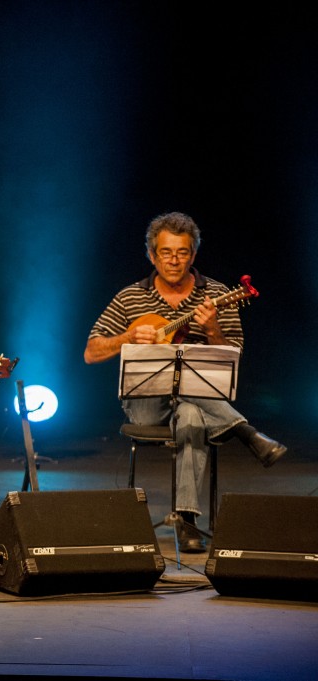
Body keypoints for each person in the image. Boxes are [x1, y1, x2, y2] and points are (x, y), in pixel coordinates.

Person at [84, 212, 286, 552]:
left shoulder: (218, 295)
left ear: (193, 255)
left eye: (182, 252)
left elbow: (234, 355)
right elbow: (91, 351)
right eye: (166, 252)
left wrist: (211, 329)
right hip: (145, 404)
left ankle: (187, 521)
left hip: (197, 401)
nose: (174, 260)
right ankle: (243, 430)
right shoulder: (131, 297)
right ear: (152, 255)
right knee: (189, 404)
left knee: (191, 414)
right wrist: (128, 336)